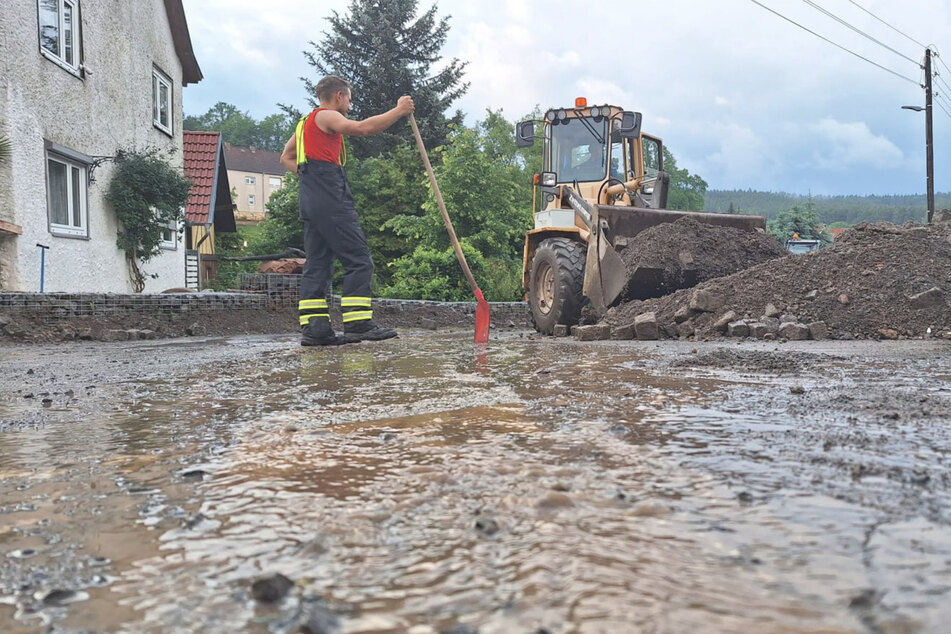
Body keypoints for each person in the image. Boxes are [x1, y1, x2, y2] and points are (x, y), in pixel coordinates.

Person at [280, 76, 414, 346]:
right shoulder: (327, 116)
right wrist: (399, 110)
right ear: (339, 96)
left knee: (317, 264)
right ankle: (358, 324)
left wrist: (309, 177)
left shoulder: (304, 124)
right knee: (359, 259)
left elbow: (285, 157)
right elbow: (363, 129)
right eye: (349, 98)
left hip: (311, 198)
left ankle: (315, 330)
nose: (350, 104)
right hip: (331, 198)